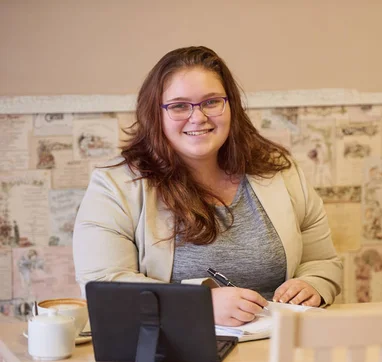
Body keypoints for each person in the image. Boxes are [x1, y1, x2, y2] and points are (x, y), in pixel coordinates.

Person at [73, 46, 342, 327]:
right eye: (179, 106)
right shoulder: (115, 186)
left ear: (231, 106)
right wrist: (196, 305)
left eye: (211, 102)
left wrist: (314, 285)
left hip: (277, 352)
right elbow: (103, 286)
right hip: (174, 360)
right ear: (156, 114)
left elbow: (323, 262)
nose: (198, 117)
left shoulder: (280, 171)